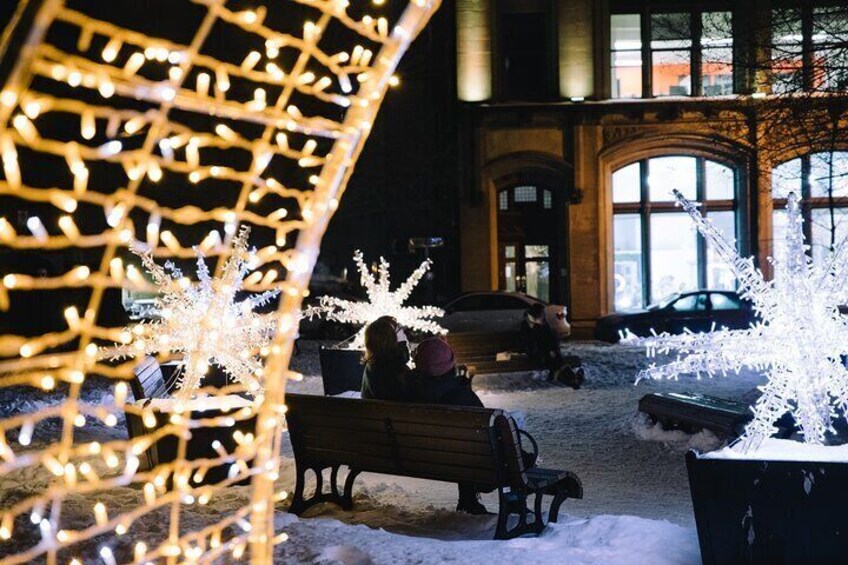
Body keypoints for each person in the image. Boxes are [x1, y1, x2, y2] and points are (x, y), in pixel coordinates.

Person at [408, 336, 491, 514]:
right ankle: (512, 502)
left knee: (460, 445)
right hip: (473, 465)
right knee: (469, 446)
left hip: (416, 458)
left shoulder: (409, 391)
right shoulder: (462, 397)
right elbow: (489, 434)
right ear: (450, 365)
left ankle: (468, 500)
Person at [521, 303, 585, 389]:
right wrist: (549, 350)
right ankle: (572, 379)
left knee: (557, 362)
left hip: (547, 351)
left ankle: (572, 379)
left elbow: (550, 338)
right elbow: (532, 341)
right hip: (537, 352)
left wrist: (553, 349)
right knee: (556, 362)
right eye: (542, 313)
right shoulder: (529, 324)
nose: (543, 315)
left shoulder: (542, 323)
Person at [360, 316, 411, 401]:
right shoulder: (397, 370)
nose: (404, 335)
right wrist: (402, 344)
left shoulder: (372, 366)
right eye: (399, 331)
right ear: (394, 339)